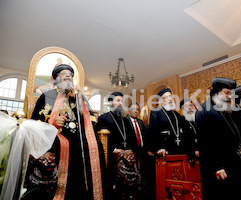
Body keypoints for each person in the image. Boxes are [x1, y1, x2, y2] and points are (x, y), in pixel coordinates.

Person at [24, 64, 106, 200]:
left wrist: (81, 99)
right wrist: (53, 122)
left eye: (70, 74)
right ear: (56, 79)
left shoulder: (79, 97)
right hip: (56, 141)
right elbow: (35, 123)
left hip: (79, 141)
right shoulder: (47, 96)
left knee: (96, 147)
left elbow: (91, 119)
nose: (68, 75)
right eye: (64, 73)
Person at [195, 77, 241, 200]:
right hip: (219, 168)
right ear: (215, 92)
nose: (230, 96)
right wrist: (217, 167)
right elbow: (205, 144)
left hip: (234, 163)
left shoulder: (228, 109)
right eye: (226, 93)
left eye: (231, 93)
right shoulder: (203, 111)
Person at [96, 92, 135, 199]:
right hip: (111, 158)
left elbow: (131, 138)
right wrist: (113, 149)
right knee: (113, 190)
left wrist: (131, 150)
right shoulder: (104, 118)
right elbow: (98, 139)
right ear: (110, 102)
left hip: (126, 158)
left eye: (122, 101)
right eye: (118, 100)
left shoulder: (125, 120)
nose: (120, 103)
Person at [125, 103, 155, 200]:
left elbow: (145, 138)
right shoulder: (125, 121)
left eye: (137, 109)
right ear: (129, 111)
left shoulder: (141, 122)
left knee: (145, 172)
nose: (136, 111)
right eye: (133, 109)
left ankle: (144, 189)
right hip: (131, 151)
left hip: (142, 151)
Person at [149, 88, 189, 156]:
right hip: (165, 152)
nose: (170, 99)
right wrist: (159, 148)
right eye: (166, 97)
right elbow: (153, 134)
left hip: (180, 151)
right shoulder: (156, 113)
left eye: (170, 96)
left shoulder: (177, 115)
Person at [180, 98, 199, 162]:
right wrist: (193, 151)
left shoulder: (197, 119)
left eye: (191, 105)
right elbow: (184, 140)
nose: (190, 108)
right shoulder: (181, 121)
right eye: (186, 106)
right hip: (190, 156)